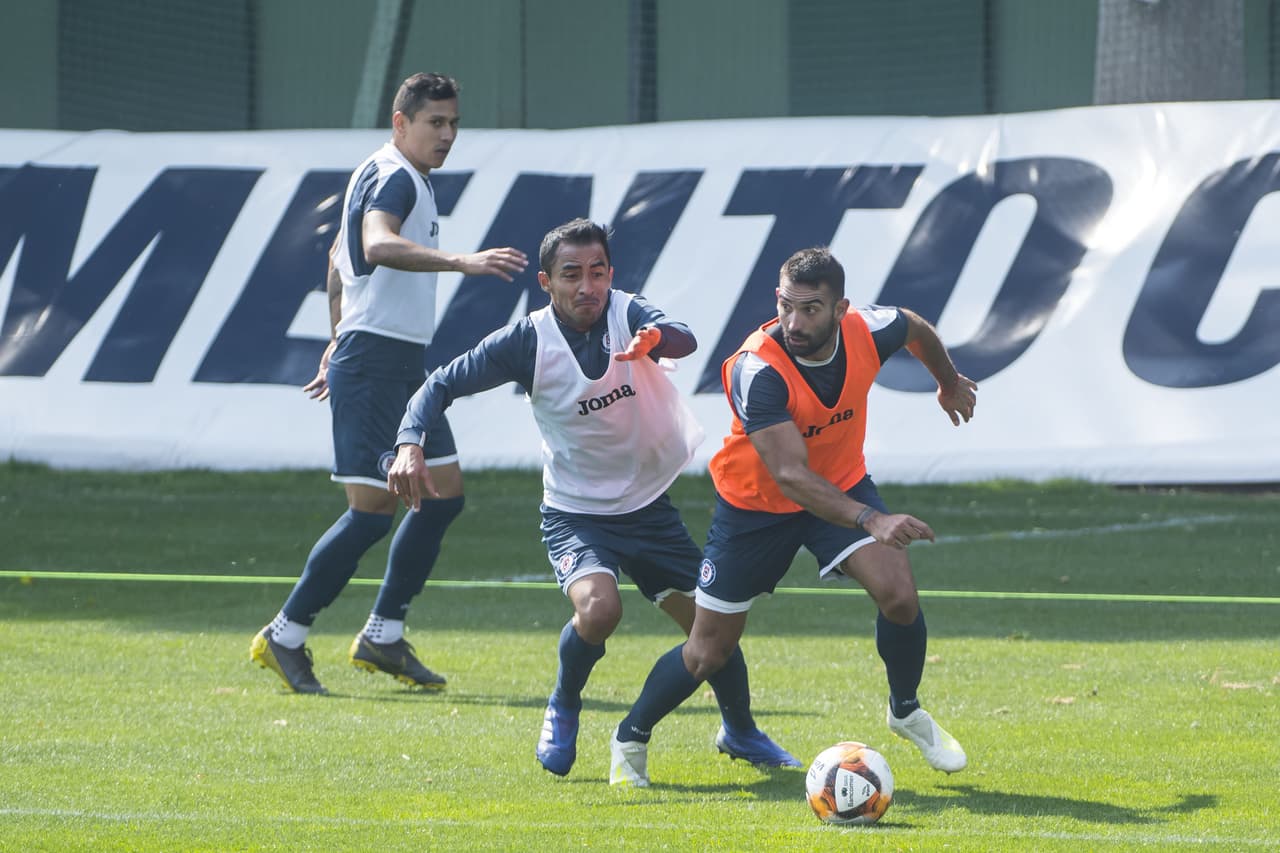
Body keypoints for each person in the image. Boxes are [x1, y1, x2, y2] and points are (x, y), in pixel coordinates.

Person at [386, 218, 797, 781]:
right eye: (572, 274)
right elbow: (439, 385)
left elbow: (682, 335)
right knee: (600, 611)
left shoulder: (629, 313)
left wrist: (656, 339)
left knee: (712, 629)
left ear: (611, 275)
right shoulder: (526, 341)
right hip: (577, 516)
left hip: (649, 507)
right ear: (546, 282)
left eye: (597, 272)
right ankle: (564, 701)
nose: (588, 286)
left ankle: (740, 730)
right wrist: (410, 443)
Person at [607, 246, 978, 787]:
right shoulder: (758, 369)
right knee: (708, 650)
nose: (794, 322)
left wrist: (947, 379)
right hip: (756, 507)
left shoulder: (869, 329)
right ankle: (630, 738)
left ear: (840, 308)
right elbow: (790, 475)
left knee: (899, 595)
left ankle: (905, 710)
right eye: (785, 306)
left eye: (810, 310)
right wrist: (871, 520)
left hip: (841, 483)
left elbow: (915, 327)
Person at [250, 72, 528, 695]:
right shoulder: (396, 175)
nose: (447, 134)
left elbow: (335, 262)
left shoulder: (396, 175)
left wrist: (335, 333)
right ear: (400, 123)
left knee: (444, 495)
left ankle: (383, 633)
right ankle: (286, 633)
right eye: (435, 122)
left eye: (454, 123)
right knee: (372, 513)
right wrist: (461, 260)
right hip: (375, 364)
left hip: (397, 362)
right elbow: (373, 246)